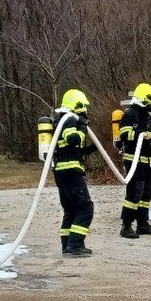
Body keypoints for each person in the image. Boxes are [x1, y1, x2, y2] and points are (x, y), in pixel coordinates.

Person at [52, 89, 97, 258]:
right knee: (85, 208)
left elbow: (69, 148)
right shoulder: (70, 119)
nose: (85, 110)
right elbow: (73, 139)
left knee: (70, 210)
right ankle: (75, 246)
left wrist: (91, 149)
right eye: (83, 107)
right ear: (77, 106)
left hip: (61, 171)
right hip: (70, 171)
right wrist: (83, 125)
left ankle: (67, 246)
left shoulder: (60, 120)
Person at [117, 82, 151, 239]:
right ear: (144, 98)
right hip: (133, 161)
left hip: (146, 161)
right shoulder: (131, 114)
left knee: (146, 194)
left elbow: (146, 137)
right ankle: (126, 226)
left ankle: (142, 224)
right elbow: (124, 134)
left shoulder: (146, 116)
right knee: (134, 193)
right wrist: (142, 133)